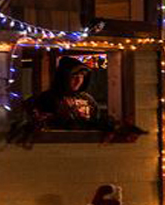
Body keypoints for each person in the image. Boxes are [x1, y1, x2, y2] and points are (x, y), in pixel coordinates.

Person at [8, 56, 145, 147]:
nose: (79, 80)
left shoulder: (88, 99)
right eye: (74, 75)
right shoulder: (49, 98)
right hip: (56, 149)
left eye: (82, 76)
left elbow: (96, 120)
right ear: (64, 77)